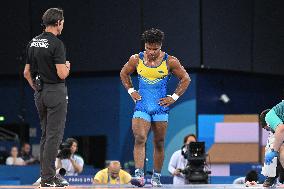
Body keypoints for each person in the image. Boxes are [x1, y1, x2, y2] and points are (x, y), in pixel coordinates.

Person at [120, 28, 191, 187]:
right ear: (145, 45)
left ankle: (156, 177)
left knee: (159, 142)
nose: (151, 52)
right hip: (142, 106)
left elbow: (186, 79)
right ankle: (139, 175)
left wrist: (173, 97)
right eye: (148, 48)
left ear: (160, 46)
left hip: (160, 108)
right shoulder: (136, 59)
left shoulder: (170, 61)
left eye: (155, 49)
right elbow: (124, 73)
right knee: (140, 138)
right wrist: (131, 90)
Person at [23, 7, 70, 187]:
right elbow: (61, 74)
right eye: (63, 22)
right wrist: (67, 66)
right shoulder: (57, 44)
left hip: (40, 93)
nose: (63, 25)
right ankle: (48, 179)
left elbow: (26, 72)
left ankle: (46, 175)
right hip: (55, 92)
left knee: (46, 135)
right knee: (54, 136)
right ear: (58, 23)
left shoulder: (32, 42)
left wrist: (37, 88)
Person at [259, 107, 284, 187]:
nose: (269, 130)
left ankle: (273, 176)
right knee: (272, 148)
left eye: (268, 128)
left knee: (279, 149)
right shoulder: (274, 130)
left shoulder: (272, 118)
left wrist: (274, 151)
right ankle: (272, 177)